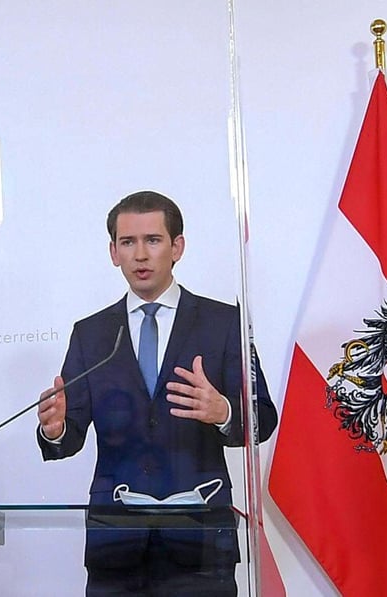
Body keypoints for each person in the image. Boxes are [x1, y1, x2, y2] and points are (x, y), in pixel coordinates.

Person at [37, 190, 278, 596]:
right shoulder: (91, 334)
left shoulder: (223, 323)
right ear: (113, 252)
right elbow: (68, 436)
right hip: (116, 547)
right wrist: (56, 428)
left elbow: (263, 419)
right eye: (128, 243)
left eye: (153, 240)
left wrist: (223, 412)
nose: (140, 255)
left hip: (199, 546)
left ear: (176, 247)